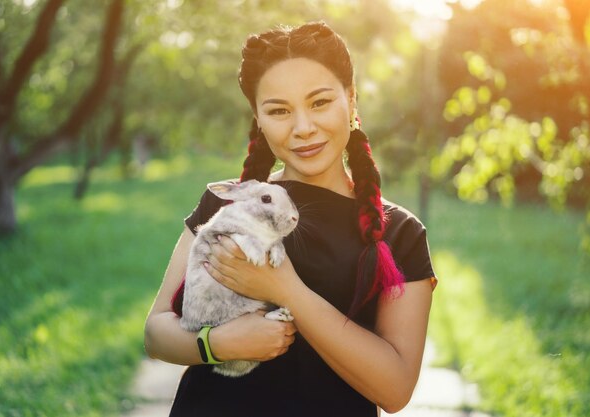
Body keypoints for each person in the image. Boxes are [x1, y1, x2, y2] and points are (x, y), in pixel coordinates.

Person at [144, 21, 438, 417]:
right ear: (258, 120)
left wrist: (285, 289)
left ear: (351, 102)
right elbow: (157, 332)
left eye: (319, 102)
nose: (303, 128)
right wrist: (220, 345)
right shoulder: (224, 204)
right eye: (279, 110)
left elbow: (396, 389)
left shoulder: (398, 233)